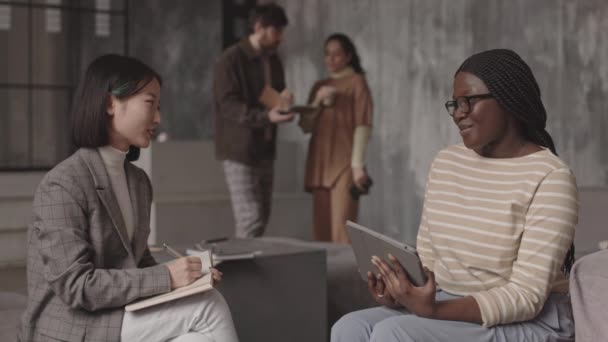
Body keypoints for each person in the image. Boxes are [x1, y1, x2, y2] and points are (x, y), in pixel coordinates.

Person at [331, 49, 577, 342]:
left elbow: (526, 296)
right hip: (448, 301)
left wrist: (433, 311)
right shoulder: (447, 162)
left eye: (469, 101)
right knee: (349, 327)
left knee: (393, 333)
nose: (459, 113)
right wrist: (403, 294)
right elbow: (431, 262)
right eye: (455, 104)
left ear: (508, 100)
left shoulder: (550, 177)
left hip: (532, 316)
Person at [19, 54, 239, 342]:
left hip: (117, 313)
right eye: (150, 103)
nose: (158, 118)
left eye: (159, 106)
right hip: (74, 325)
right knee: (209, 308)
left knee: (199, 336)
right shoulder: (63, 184)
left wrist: (189, 279)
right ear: (111, 103)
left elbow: (135, 261)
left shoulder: (138, 182)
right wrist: (168, 277)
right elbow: (76, 286)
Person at [213, 3, 295, 239]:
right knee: (250, 218)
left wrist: (284, 101)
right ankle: (242, 273)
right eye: (276, 31)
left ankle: (248, 268)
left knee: (261, 217)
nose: (280, 37)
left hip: (265, 148)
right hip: (240, 150)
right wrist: (265, 116)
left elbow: (274, 96)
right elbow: (228, 105)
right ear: (259, 27)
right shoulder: (230, 60)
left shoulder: (274, 60)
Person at [299, 33, 373, 244]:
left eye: (336, 54)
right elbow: (305, 126)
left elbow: (363, 125)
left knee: (343, 231)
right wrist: (317, 101)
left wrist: (358, 166)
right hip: (320, 164)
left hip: (345, 165)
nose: (330, 59)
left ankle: (345, 277)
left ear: (348, 56)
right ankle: (323, 277)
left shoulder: (357, 83)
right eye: (327, 54)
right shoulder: (319, 86)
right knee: (320, 233)